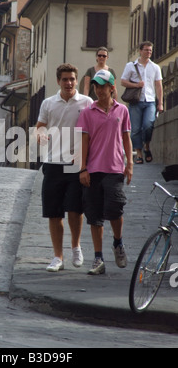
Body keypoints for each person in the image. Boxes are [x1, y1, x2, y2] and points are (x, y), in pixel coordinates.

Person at [36, 63, 93, 272]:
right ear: (58, 81)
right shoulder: (48, 103)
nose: (68, 83)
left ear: (76, 80)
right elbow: (40, 127)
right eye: (64, 79)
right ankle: (57, 256)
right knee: (54, 212)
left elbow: (93, 131)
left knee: (75, 209)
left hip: (76, 163)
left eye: (71, 79)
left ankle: (76, 247)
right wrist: (41, 137)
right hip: (52, 163)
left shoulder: (87, 102)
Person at [77, 69, 133, 275]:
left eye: (102, 86)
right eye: (96, 86)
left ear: (112, 88)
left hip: (115, 168)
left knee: (116, 208)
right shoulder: (87, 113)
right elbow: (83, 141)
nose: (98, 90)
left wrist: (130, 164)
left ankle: (118, 243)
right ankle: (98, 259)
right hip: (92, 169)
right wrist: (82, 168)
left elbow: (126, 138)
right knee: (94, 215)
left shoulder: (122, 111)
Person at [121, 41, 163, 164]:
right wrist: (136, 85)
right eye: (146, 50)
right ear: (140, 51)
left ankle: (147, 146)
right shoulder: (130, 65)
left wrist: (160, 103)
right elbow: (123, 81)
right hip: (135, 101)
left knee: (148, 126)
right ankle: (139, 153)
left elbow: (159, 86)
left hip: (150, 101)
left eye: (150, 50)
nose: (148, 52)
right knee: (135, 129)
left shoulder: (155, 67)